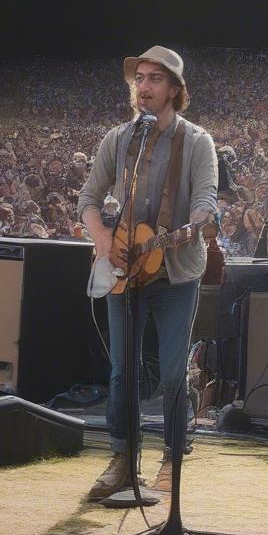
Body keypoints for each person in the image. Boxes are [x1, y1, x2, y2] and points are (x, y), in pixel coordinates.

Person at [77, 46, 217, 501]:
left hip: (175, 272)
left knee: (174, 374)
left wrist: (198, 222)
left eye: (155, 78)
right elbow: (88, 198)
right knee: (122, 371)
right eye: (140, 78)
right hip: (124, 268)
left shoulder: (196, 141)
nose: (145, 86)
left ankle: (173, 455)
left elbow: (205, 200)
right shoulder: (118, 140)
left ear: (175, 89)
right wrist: (103, 241)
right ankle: (122, 458)